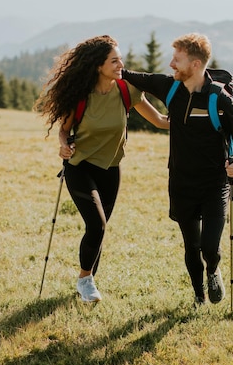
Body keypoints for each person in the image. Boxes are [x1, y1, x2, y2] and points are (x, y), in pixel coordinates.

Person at [35, 35, 169, 303]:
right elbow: (64, 131)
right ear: (98, 65)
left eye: (120, 58)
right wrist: (63, 146)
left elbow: (160, 121)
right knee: (96, 224)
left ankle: (87, 278)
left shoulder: (126, 90)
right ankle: (85, 280)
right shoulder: (81, 96)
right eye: (114, 60)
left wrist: (201, 119)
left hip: (111, 168)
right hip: (80, 167)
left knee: (100, 228)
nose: (122, 64)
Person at [122, 33, 233, 306]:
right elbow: (134, 76)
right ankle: (198, 295)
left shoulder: (220, 99)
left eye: (177, 60)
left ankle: (213, 270)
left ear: (195, 64)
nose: (171, 65)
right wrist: (107, 65)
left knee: (209, 247)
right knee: (191, 246)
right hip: (181, 182)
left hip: (215, 184)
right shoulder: (170, 89)